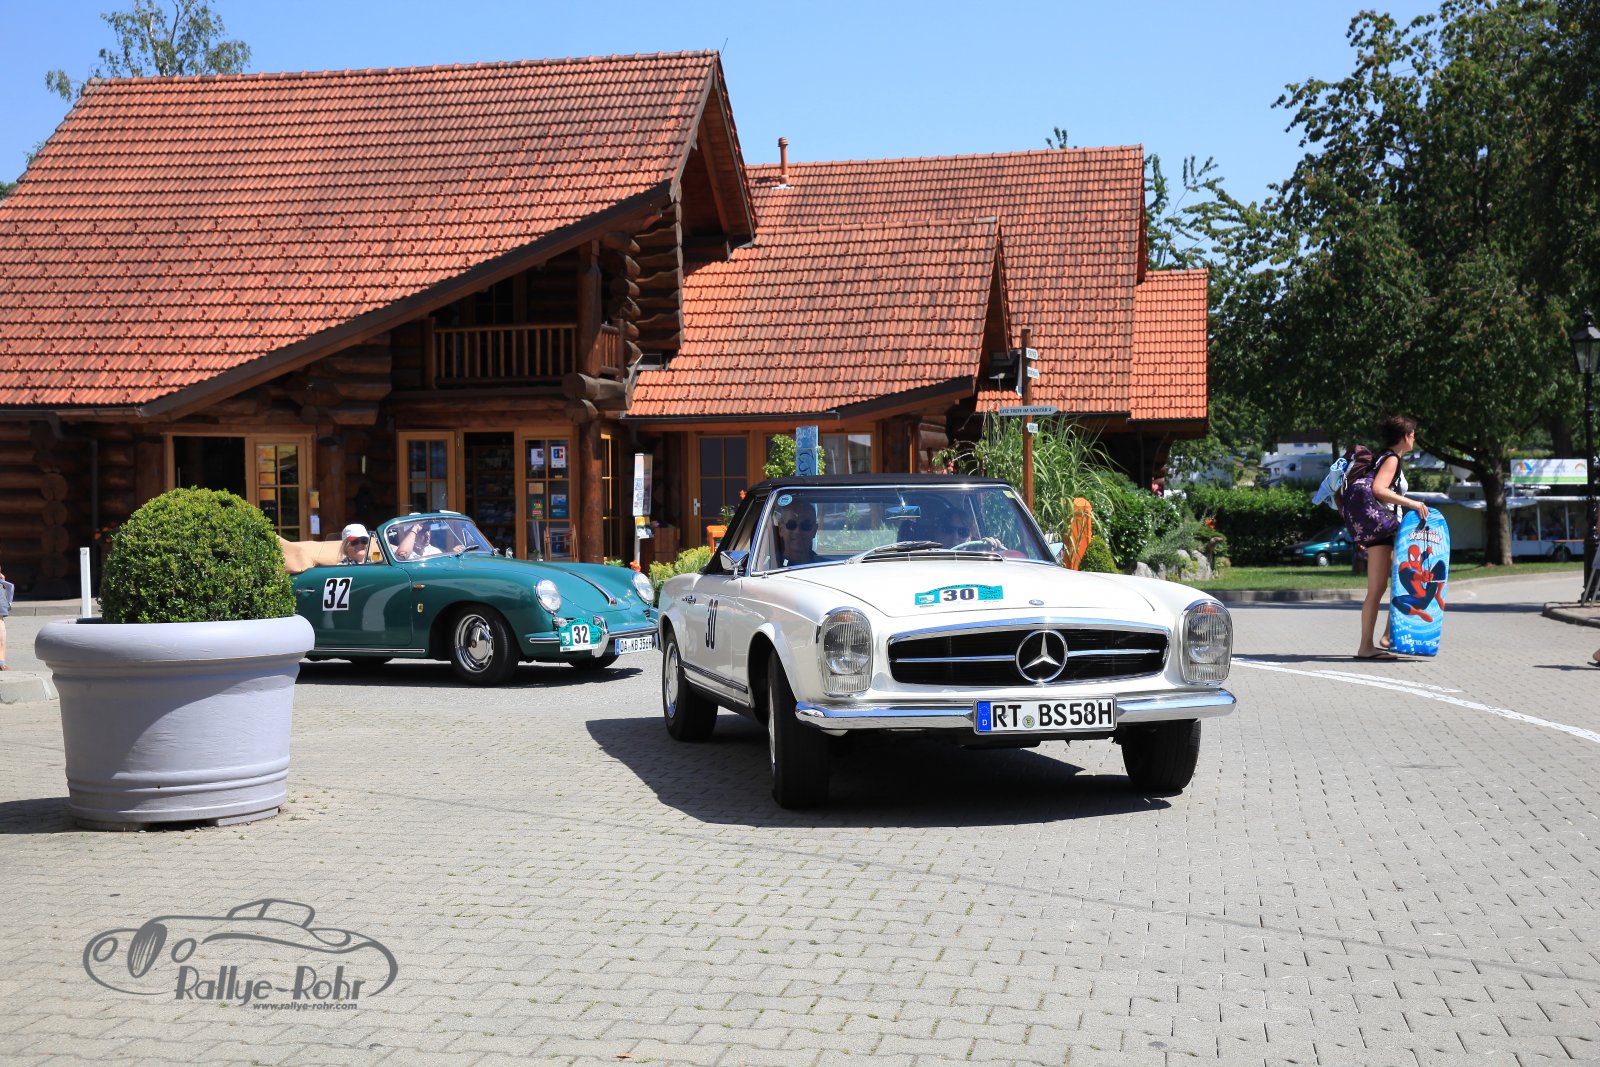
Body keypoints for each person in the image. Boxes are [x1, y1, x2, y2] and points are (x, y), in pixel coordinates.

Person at [1356, 415, 1431, 660]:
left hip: (1382, 530)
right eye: (1413, 434)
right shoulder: (1391, 459)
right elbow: (1379, 489)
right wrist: (1412, 503)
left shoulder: (1384, 457)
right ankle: (1368, 646)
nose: (1415, 438)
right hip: (1384, 530)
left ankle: (1386, 637)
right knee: (1378, 588)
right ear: (1404, 437)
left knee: (1396, 584)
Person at [773, 501, 820, 566]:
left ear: (814, 530)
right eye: (791, 525)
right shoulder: (767, 566)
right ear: (781, 529)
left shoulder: (827, 567)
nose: (797, 531)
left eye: (805, 525)